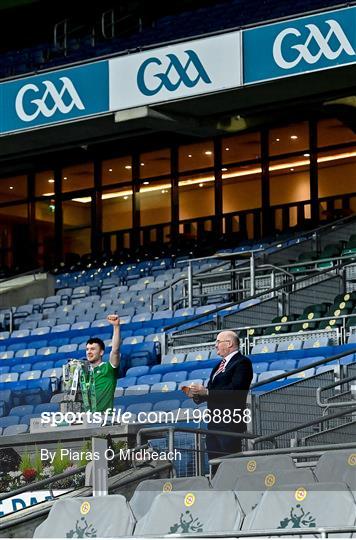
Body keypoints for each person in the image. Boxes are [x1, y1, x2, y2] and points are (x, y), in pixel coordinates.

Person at [190, 330, 253, 461]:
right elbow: (213, 391)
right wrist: (197, 395)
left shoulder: (242, 363)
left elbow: (236, 391)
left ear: (229, 343)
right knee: (215, 465)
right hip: (214, 425)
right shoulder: (218, 366)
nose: (215, 345)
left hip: (230, 424)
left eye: (218, 341)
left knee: (230, 464)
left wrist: (206, 392)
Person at [84, 314, 120, 413]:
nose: (89, 352)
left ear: (101, 352)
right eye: (87, 349)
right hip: (85, 420)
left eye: (92, 349)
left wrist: (116, 327)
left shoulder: (108, 369)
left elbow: (115, 350)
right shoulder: (83, 373)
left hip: (103, 420)